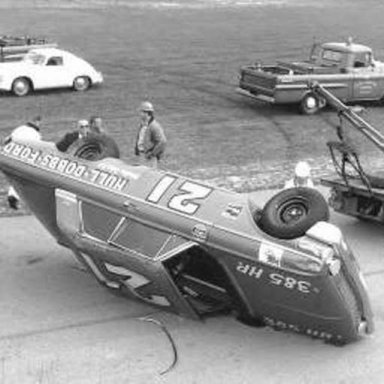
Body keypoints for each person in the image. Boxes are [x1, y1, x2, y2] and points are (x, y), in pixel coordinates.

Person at [6, 116, 42, 210]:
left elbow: (6, 141)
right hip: (24, 159)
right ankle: (16, 196)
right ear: (36, 124)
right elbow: (37, 149)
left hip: (12, 156)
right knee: (24, 179)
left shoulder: (18, 129)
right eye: (38, 122)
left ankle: (13, 196)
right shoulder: (36, 134)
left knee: (16, 178)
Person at [134, 101, 167, 168]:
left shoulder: (154, 126)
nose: (139, 114)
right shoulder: (143, 124)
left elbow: (162, 142)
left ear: (146, 113)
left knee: (148, 176)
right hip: (142, 155)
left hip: (149, 158)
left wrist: (152, 154)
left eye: (141, 112)